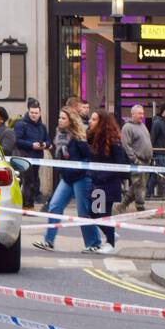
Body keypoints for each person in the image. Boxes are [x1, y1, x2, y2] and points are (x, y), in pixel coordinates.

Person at [32, 107, 104, 253]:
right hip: (66, 178)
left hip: (81, 178)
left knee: (83, 212)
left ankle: (94, 243)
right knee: (54, 206)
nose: (60, 120)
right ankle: (48, 241)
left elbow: (87, 157)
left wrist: (77, 168)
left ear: (71, 121)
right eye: (59, 117)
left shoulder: (78, 138)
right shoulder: (59, 135)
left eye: (63, 118)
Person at [87, 109, 129, 253]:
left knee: (104, 214)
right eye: (91, 119)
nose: (90, 122)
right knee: (93, 213)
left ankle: (110, 243)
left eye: (94, 119)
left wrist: (102, 175)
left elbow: (120, 165)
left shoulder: (114, 141)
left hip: (109, 183)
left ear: (102, 123)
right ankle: (110, 233)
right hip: (98, 183)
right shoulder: (92, 137)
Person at [13, 98, 50, 209]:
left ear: (40, 113)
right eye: (32, 113)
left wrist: (44, 145)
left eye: (36, 113)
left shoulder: (42, 127)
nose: (34, 115)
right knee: (27, 182)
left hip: (37, 158)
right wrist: (31, 145)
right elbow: (17, 140)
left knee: (34, 181)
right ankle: (26, 205)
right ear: (28, 112)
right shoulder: (21, 124)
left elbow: (48, 141)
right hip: (24, 158)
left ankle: (30, 204)